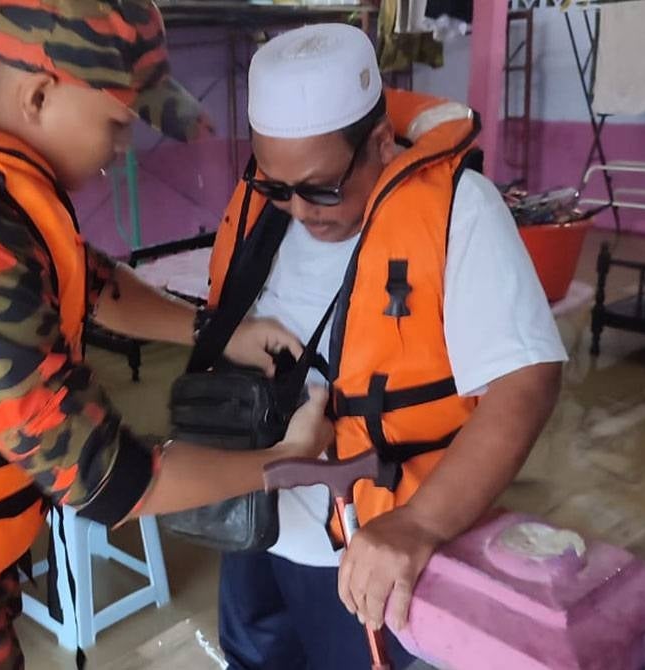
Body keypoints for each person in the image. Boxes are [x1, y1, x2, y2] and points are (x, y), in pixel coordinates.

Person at [0, 2, 334, 668]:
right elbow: (113, 482)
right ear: (40, 95)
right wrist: (286, 463)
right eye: (116, 125)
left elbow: (86, 280)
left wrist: (217, 330)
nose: (120, 152)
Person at [204, 24, 567, 669]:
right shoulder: (267, 206)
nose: (297, 209)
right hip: (254, 526)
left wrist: (421, 524)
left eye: (320, 189)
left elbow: (527, 382)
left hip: (366, 548)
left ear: (378, 141)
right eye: (275, 186)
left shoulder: (459, 211)